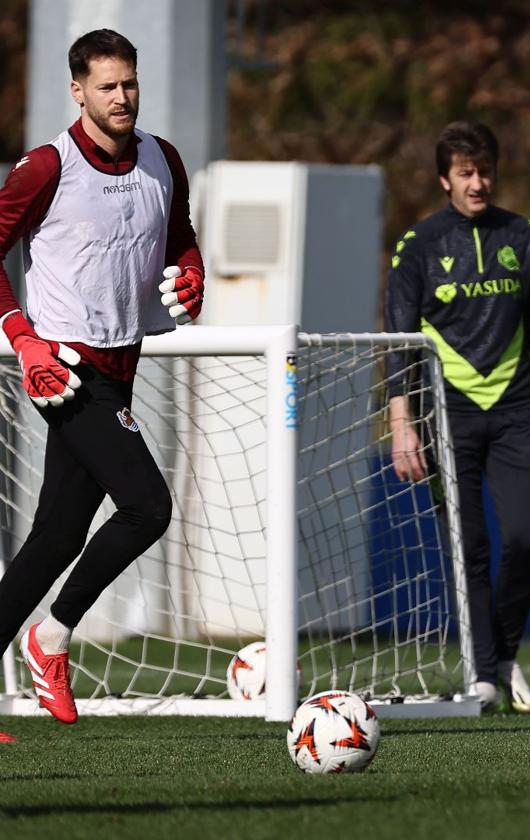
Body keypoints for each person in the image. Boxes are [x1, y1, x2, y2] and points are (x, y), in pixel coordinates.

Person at [0, 29, 204, 736]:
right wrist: (24, 342)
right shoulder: (44, 167)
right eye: (107, 86)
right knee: (148, 506)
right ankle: (52, 638)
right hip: (66, 371)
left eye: (130, 83)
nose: (122, 97)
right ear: (78, 91)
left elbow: (179, 234)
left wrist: (193, 274)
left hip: (124, 362)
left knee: (56, 538)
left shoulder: (163, 158)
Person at [385, 121, 530, 712]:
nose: (478, 182)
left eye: (485, 170)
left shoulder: (523, 236)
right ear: (445, 178)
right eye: (466, 173)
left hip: (516, 411)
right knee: (467, 546)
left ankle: (504, 656)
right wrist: (402, 425)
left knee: (525, 540)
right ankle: (483, 674)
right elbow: (398, 342)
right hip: (447, 415)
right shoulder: (418, 244)